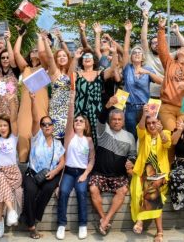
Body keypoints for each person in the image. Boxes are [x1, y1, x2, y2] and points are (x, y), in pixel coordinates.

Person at [89, 98, 136, 236]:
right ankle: (104, 218)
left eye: (119, 119)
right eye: (114, 119)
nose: (116, 121)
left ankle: (106, 220)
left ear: (123, 121)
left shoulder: (129, 137)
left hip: (119, 175)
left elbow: (132, 154)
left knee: (122, 191)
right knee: (92, 188)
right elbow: (101, 119)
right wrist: (107, 106)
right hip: (100, 173)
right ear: (110, 121)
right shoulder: (103, 131)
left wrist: (131, 161)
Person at [21, 94, 66, 239]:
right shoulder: (36, 137)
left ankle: (29, 216)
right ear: (40, 127)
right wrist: (34, 100)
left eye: (49, 124)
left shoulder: (58, 143)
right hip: (33, 173)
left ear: (53, 127)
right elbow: (35, 118)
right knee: (30, 191)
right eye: (44, 124)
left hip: (50, 174)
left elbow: (62, 162)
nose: (46, 126)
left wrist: (55, 172)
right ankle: (32, 225)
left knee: (47, 189)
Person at [56, 91, 95, 240]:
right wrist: (72, 101)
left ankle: (83, 225)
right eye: (76, 121)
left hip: (82, 172)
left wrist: (85, 175)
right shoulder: (69, 137)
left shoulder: (89, 140)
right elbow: (70, 117)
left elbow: (91, 160)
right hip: (69, 172)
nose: (78, 122)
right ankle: (61, 225)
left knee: (81, 192)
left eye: (81, 121)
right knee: (64, 192)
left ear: (85, 126)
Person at [130, 102, 172, 242]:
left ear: (159, 122)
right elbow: (140, 127)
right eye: (149, 123)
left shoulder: (165, 132)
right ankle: (160, 232)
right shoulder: (144, 135)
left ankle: (141, 221)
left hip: (160, 174)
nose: (152, 125)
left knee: (151, 190)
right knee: (138, 194)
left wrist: (160, 132)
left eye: (154, 122)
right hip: (143, 172)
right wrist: (145, 115)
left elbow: (167, 143)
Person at [157, 16, 184, 134]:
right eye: (180, 48)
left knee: (182, 134)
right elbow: (162, 49)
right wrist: (161, 29)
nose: (182, 48)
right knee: (170, 134)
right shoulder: (170, 63)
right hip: (168, 104)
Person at [121, 20, 163, 138]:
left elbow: (160, 81)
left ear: (143, 56)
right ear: (131, 56)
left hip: (145, 107)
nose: (137, 54)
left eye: (140, 53)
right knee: (131, 135)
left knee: (145, 135)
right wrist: (128, 32)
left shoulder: (147, 68)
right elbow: (125, 51)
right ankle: (132, 157)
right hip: (130, 107)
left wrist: (147, 72)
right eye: (135, 53)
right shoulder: (127, 68)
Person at [71, 45, 118, 147]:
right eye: (84, 57)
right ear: (81, 61)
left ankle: (96, 160)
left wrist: (114, 53)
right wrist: (75, 58)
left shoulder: (100, 73)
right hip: (80, 111)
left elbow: (113, 67)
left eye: (89, 57)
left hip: (97, 111)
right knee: (80, 137)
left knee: (97, 136)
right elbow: (69, 75)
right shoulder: (77, 74)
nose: (87, 58)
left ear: (94, 60)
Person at [14, 26, 49, 163]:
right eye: (32, 50)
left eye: (36, 50)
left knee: (40, 138)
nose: (35, 51)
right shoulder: (25, 69)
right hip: (24, 110)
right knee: (23, 136)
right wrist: (20, 36)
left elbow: (42, 52)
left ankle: (39, 169)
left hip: (40, 107)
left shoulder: (44, 68)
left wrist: (40, 37)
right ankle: (23, 168)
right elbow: (16, 53)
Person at [140, 9, 184, 100]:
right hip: (150, 94)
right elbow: (144, 39)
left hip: (167, 94)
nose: (156, 44)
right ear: (150, 46)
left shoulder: (170, 57)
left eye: (158, 42)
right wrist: (145, 19)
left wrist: (177, 32)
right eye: (153, 43)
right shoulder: (148, 56)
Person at [39, 33, 73, 142]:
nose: (62, 58)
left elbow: (72, 58)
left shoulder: (71, 72)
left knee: (68, 141)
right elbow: (49, 57)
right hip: (56, 112)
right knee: (56, 141)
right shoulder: (54, 71)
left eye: (64, 56)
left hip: (69, 111)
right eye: (59, 56)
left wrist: (61, 39)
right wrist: (44, 40)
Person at [0, 29, 20, 122]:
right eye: (3, 58)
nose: (5, 59)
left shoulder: (15, 70)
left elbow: (12, 58)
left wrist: (7, 40)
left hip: (11, 108)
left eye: (7, 57)